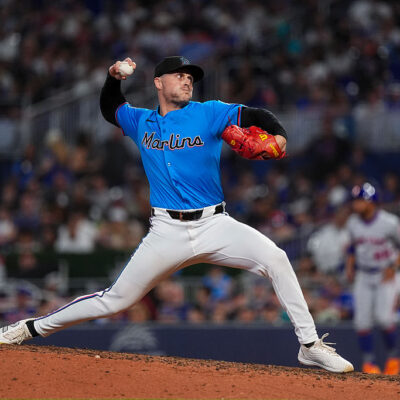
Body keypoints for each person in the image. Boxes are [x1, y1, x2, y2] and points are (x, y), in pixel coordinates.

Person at [0, 56, 353, 373]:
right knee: (114, 300)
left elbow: (257, 115)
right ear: (158, 83)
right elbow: (111, 108)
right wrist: (113, 78)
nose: (187, 81)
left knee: (276, 258)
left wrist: (280, 136)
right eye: (179, 75)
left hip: (216, 224)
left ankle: (310, 346)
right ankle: (29, 328)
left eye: (190, 77)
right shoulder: (142, 122)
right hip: (166, 231)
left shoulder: (208, 111)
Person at [346, 182, 400, 374]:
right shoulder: (353, 222)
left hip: (386, 273)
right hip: (364, 274)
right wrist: (350, 267)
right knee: (361, 322)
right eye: (355, 201)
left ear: (371, 202)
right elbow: (352, 248)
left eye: (360, 200)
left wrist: (394, 266)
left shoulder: (389, 222)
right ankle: (369, 364)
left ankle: (394, 359)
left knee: (385, 319)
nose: (356, 205)